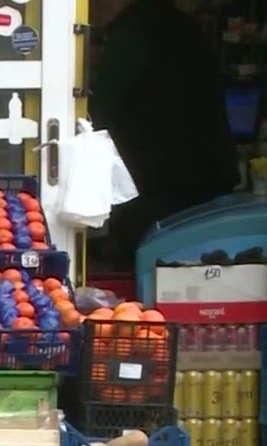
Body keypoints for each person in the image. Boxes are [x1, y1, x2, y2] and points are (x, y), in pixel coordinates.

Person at [89, 0, 240, 269]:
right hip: (205, 171)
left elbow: (100, 110)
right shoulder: (179, 23)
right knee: (204, 262)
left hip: (158, 180)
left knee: (147, 262)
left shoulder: (133, 33)